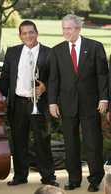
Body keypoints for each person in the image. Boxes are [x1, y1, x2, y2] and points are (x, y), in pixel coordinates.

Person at [48, 14, 108, 192]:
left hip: (91, 104)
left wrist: (104, 98)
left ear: (78, 28)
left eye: (69, 28)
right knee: (71, 143)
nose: (66, 31)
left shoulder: (95, 47)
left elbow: (103, 75)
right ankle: (73, 179)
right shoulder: (57, 50)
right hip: (67, 104)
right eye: (64, 28)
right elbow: (53, 79)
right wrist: (52, 102)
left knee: (93, 143)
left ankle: (95, 179)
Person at [0, 20, 58, 186]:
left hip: (39, 103)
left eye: (31, 32)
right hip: (17, 103)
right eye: (24, 33)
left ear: (37, 33)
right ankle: (20, 176)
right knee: (18, 141)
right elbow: (5, 79)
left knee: (42, 141)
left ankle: (48, 177)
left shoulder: (49, 52)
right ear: (20, 36)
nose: (28, 36)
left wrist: (45, 87)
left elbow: (55, 78)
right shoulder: (12, 52)